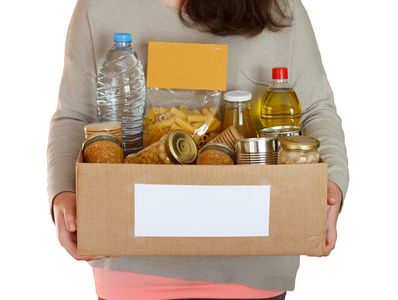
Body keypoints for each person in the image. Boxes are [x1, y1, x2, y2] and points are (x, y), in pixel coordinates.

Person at [48, 0, 349, 299]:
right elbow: (74, 116)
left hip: (253, 258)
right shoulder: (100, 7)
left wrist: (331, 182)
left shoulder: (280, 8)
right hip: (131, 257)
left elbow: (316, 110)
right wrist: (63, 194)